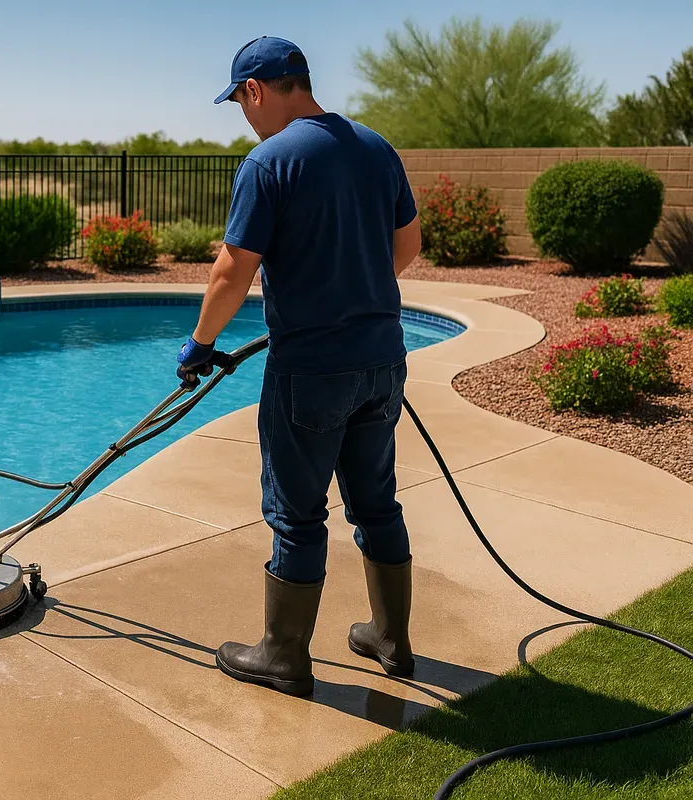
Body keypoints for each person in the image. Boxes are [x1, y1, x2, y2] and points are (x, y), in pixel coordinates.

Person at [176, 36, 422, 697]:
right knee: (376, 501)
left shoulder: (269, 161)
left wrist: (200, 343)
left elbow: (233, 269)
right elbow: (408, 243)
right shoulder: (376, 148)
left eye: (240, 102)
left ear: (256, 90)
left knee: (297, 512)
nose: (243, 116)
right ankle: (392, 639)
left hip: (310, 370)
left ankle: (284, 656)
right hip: (383, 361)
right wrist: (356, 296)